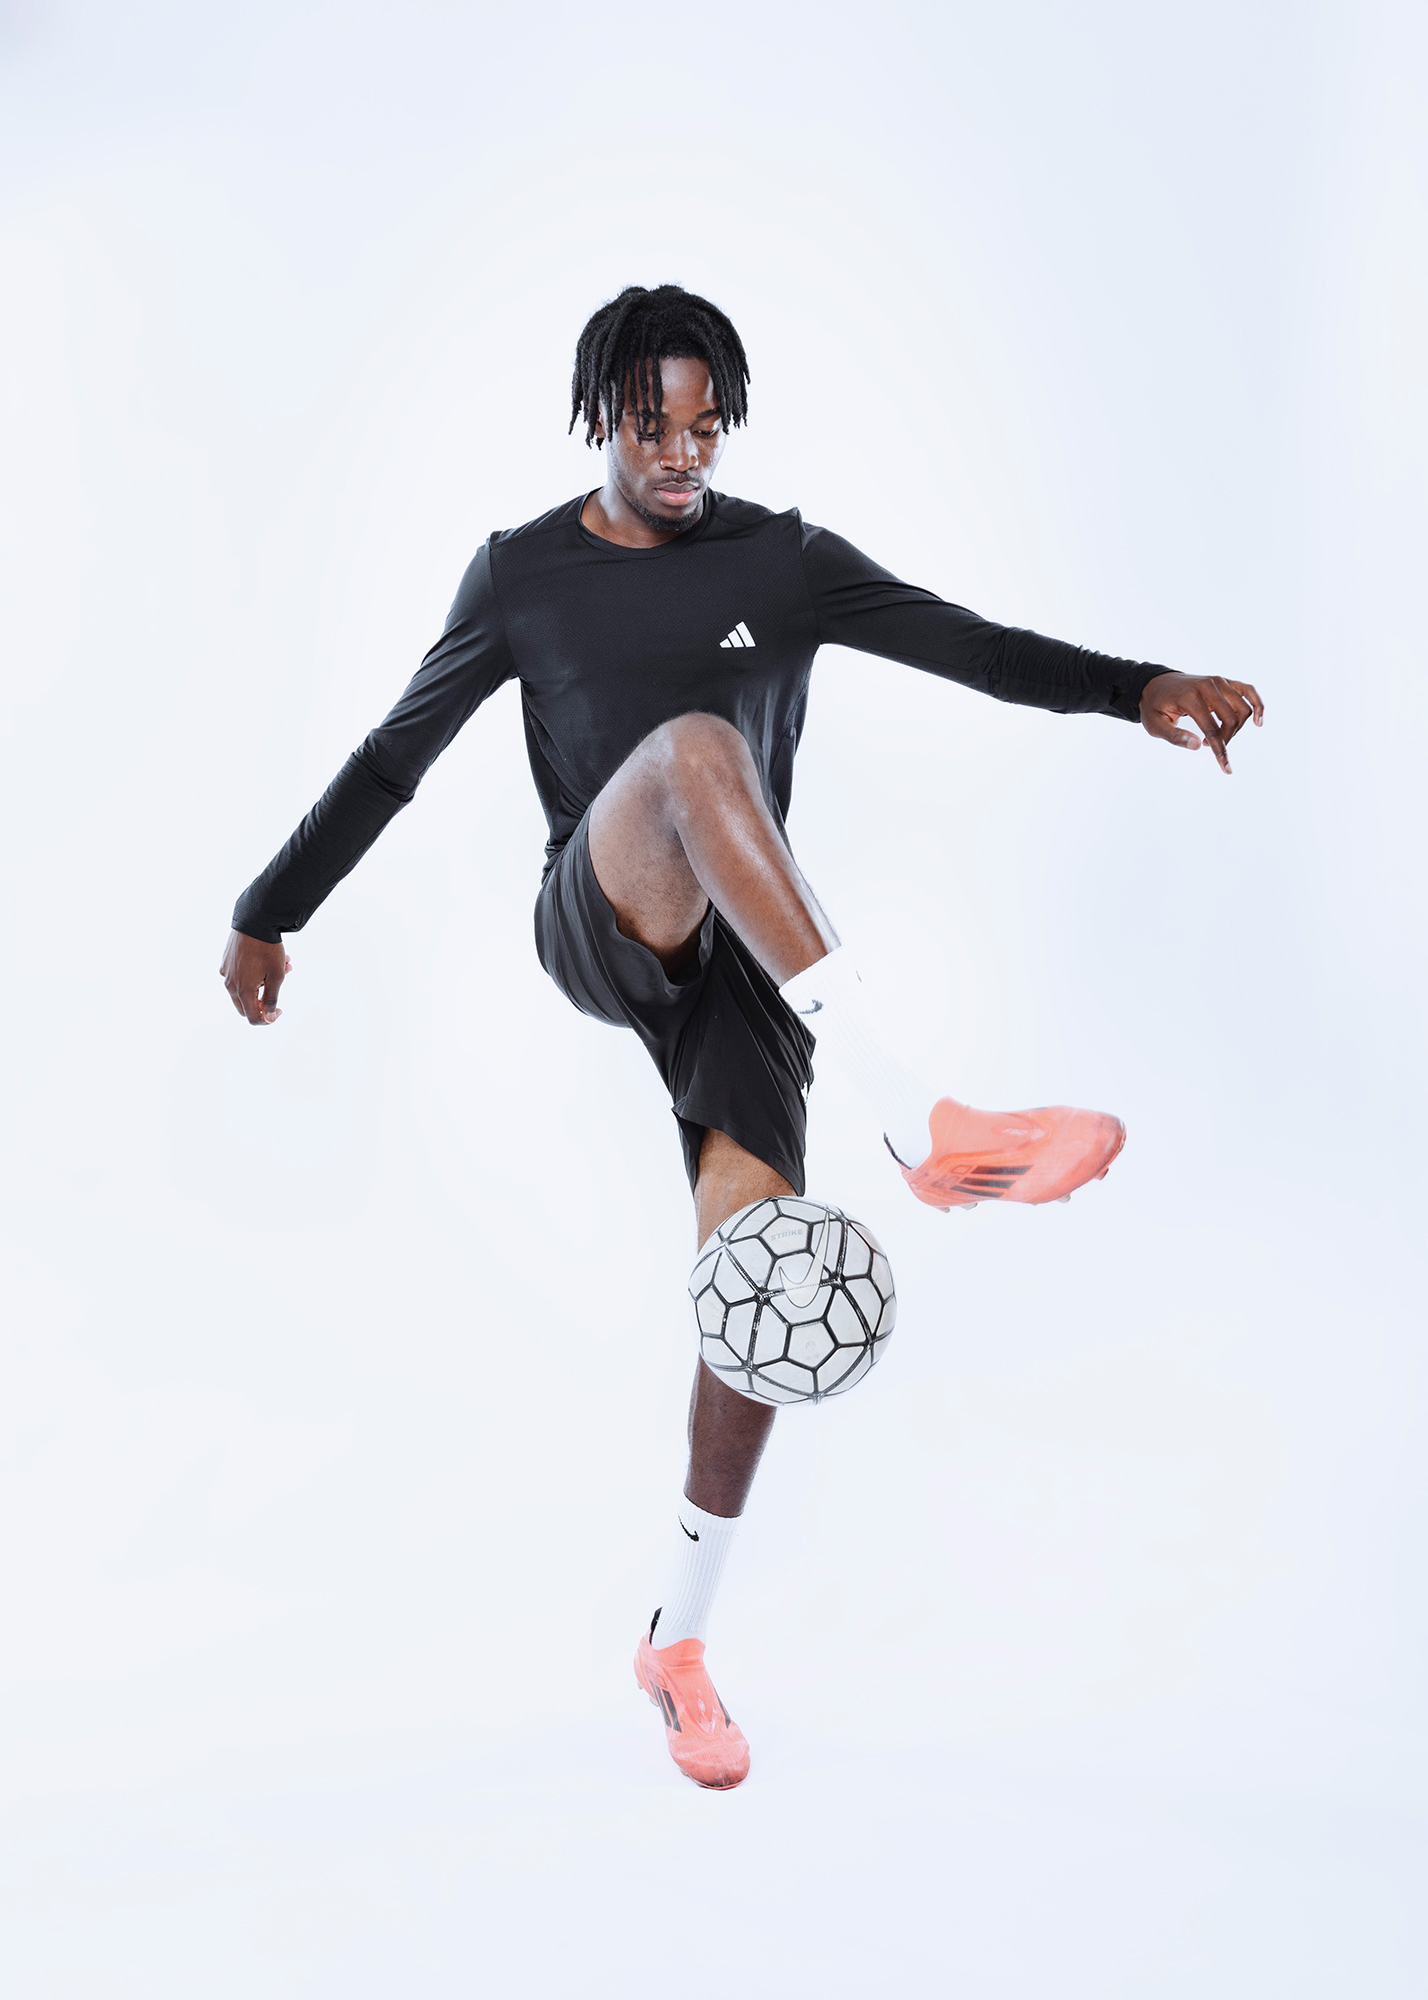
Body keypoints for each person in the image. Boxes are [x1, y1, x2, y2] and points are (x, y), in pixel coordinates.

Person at [220, 283, 1264, 1790]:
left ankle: (679, 1638)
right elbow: (396, 758)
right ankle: (919, 1121)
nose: (684, 453)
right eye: (655, 425)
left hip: (759, 967)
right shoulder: (521, 575)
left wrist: (1142, 688)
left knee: (764, 1287)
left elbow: (978, 649)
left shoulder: (784, 559)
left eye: (708, 428)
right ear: (602, 417)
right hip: (609, 911)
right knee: (696, 751)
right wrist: (272, 910)